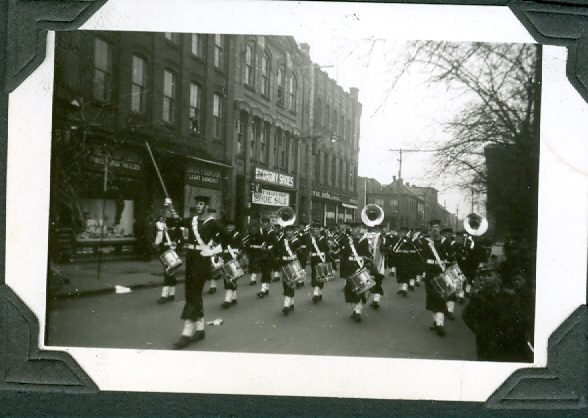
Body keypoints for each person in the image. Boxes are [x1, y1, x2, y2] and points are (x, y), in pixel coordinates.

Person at [170, 195, 222, 350]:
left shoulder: (212, 222)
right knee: (191, 292)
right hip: (191, 259)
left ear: (206, 207)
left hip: (202, 260)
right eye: (197, 204)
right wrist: (170, 208)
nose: (198, 206)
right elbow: (178, 221)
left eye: (201, 204)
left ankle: (187, 332)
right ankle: (200, 330)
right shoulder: (192, 220)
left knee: (193, 293)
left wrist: (214, 251)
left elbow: (227, 238)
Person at [463, 265, 529, 361]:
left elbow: (517, 317)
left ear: (498, 278)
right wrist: (480, 330)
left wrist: (512, 334)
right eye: (484, 276)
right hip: (486, 343)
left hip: (506, 344)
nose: (486, 278)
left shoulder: (508, 296)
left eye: (489, 275)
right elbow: (467, 315)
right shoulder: (479, 296)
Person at [422, 219, 451, 336]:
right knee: (431, 296)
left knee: (440, 296)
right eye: (433, 227)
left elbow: (451, 257)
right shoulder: (425, 242)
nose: (435, 229)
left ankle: (440, 324)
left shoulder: (445, 242)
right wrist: (423, 272)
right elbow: (422, 257)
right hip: (429, 271)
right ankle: (435, 321)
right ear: (430, 229)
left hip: (441, 271)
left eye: (437, 227)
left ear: (440, 229)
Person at [341, 222, 368, 322]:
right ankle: (355, 309)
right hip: (349, 267)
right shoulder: (347, 240)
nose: (353, 230)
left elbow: (366, 255)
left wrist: (364, 268)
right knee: (349, 290)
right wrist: (343, 271)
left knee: (359, 290)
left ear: (360, 229)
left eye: (356, 228)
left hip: (359, 267)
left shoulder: (364, 240)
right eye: (352, 228)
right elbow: (344, 256)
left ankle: (358, 311)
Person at [273, 224, 303, 314]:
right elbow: (277, 250)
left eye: (290, 231)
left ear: (293, 232)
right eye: (287, 231)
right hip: (284, 264)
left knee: (290, 283)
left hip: (293, 264)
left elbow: (301, 254)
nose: (288, 232)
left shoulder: (297, 241)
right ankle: (291, 303)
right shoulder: (283, 241)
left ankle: (286, 305)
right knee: (286, 284)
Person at [155, 215, 182, 304]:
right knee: (171, 274)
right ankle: (171, 294)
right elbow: (181, 241)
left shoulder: (167, 231)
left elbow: (159, 243)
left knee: (168, 274)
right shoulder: (175, 230)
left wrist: (173, 245)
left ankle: (164, 295)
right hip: (171, 254)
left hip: (169, 254)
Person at [308, 221, 333, 303]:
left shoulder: (323, 239)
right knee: (315, 276)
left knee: (320, 276)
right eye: (314, 229)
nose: (315, 231)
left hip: (321, 259)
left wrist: (327, 261)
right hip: (313, 260)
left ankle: (316, 294)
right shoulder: (311, 239)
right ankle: (319, 294)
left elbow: (328, 251)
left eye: (317, 229)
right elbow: (309, 249)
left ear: (319, 230)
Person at [220, 219, 243, 309]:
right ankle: (233, 298)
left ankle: (227, 300)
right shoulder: (224, 235)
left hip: (234, 257)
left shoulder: (238, 235)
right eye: (228, 225)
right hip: (225, 257)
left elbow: (241, 247)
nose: (229, 227)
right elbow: (221, 246)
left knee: (231, 278)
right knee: (229, 277)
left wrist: (238, 255)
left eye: (231, 225)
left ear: (234, 227)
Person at [393, 227, 419, 297]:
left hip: (407, 260)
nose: (401, 233)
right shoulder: (399, 240)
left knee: (405, 274)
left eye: (402, 232)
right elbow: (395, 250)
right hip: (400, 260)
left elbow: (414, 251)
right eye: (401, 232)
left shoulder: (410, 240)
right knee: (399, 274)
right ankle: (401, 288)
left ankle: (404, 289)